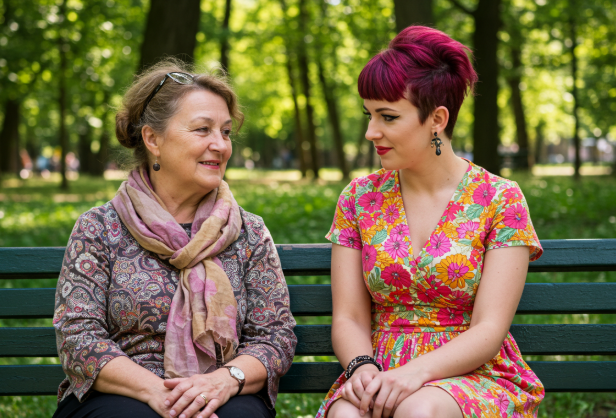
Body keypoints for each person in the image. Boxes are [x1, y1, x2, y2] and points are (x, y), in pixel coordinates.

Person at [316, 26, 544, 418]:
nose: (371, 132)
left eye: (388, 117)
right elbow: (349, 316)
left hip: (472, 372)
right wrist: (362, 368)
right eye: (369, 115)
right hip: (378, 368)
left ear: (437, 119)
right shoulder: (359, 198)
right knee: (347, 415)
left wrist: (414, 374)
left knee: (419, 409)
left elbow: (489, 329)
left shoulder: (499, 199)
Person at [52, 61, 297, 418]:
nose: (220, 145)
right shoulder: (99, 228)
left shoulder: (248, 232)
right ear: (153, 139)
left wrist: (223, 381)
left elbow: (275, 337)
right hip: (120, 393)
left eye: (226, 132)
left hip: (222, 393)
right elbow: (79, 337)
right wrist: (163, 395)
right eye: (202, 129)